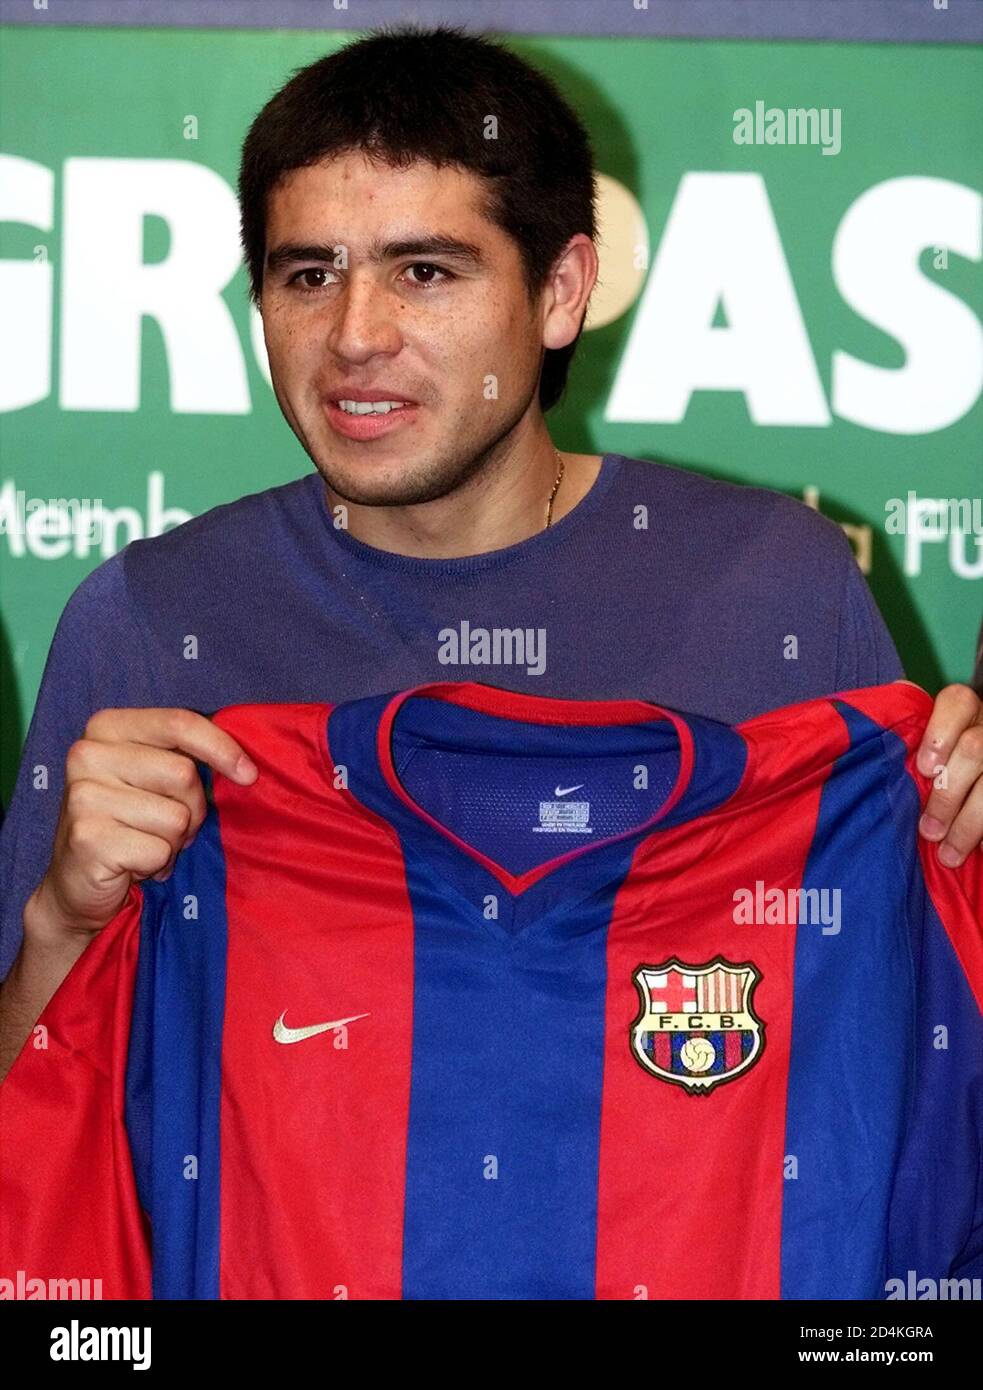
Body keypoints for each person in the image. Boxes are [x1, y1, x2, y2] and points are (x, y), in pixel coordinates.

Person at [1, 23, 981, 1085]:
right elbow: (27, 1144)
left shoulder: (775, 584)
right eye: (306, 275)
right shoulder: (151, 614)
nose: (354, 334)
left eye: (423, 270)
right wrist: (60, 924)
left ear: (560, 293)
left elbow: (901, 1062)